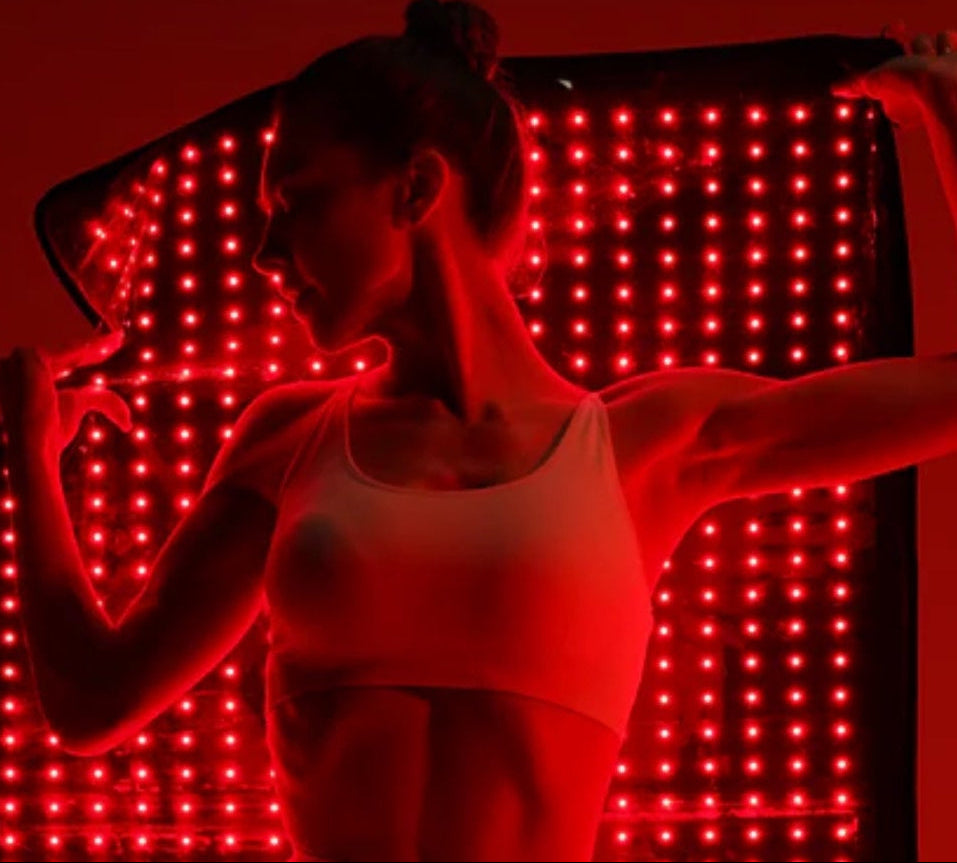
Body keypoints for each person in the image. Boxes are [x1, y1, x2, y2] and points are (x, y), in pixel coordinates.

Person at [1, 6, 952, 861]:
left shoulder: (641, 444)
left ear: (414, 188)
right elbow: (91, 702)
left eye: (294, 205)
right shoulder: (288, 439)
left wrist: (947, 113)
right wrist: (32, 458)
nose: (263, 254)